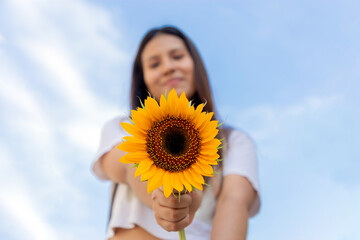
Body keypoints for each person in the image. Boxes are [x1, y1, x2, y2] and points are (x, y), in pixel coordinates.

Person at [92, 26, 260, 240]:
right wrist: (164, 195)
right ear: (143, 79)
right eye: (154, 64)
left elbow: (234, 202)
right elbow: (126, 164)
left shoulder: (234, 142)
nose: (168, 68)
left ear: (195, 65)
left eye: (177, 56)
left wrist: (190, 196)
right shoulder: (124, 127)